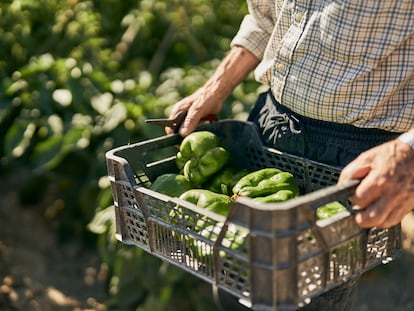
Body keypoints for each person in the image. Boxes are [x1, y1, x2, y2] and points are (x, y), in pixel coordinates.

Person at [165, 1, 414, 310]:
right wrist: (217, 85)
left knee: (309, 299)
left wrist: (410, 151)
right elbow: (266, 15)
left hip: (353, 151)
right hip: (269, 121)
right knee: (234, 280)